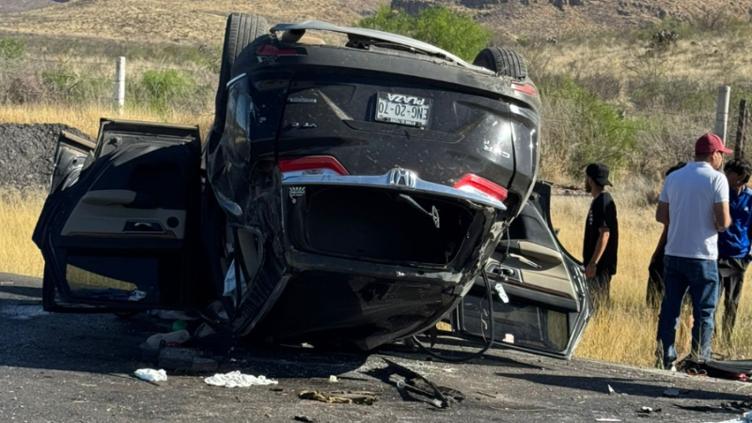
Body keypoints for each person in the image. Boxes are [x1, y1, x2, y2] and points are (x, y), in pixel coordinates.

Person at [655, 132, 732, 369]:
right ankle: (699, 361)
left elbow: (661, 215)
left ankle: (664, 357)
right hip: (703, 255)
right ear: (714, 154)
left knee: (670, 308)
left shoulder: (674, 177)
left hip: (674, 251)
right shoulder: (717, 179)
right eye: (721, 154)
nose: (722, 159)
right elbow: (723, 221)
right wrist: (721, 223)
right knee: (704, 312)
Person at [716, 158, 752, 345]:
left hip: (739, 256)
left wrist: (749, 255)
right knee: (711, 301)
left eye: (729, 173)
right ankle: (709, 339)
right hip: (717, 254)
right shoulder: (721, 194)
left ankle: (726, 340)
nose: (726, 175)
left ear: (741, 177)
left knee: (732, 302)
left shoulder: (750, 198)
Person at [646, 162, 687, 308]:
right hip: (669, 248)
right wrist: (656, 253)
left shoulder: (684, 201)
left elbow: (662, 219)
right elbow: (666, 228)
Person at [582, 163, 619, 310]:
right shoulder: (598, 200)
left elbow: (605, 234)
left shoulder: (604, 201)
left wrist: (593, 263)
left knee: (598, 307)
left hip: (600, 267)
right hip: (595, 266)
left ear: (590, 180)